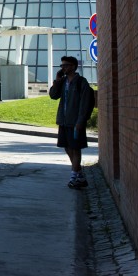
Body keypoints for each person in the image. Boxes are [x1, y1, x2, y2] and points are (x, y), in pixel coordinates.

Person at [48, 56, 95, 189]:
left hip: (75, 122)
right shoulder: (62, 82)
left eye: (66, 65)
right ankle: (79, 175)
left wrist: (81, 121)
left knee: (76, 149)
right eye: (62, 65)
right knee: (67, 147)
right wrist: (57, 81)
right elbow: (53, 95)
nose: (63, 68)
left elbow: (85, 103)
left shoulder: (81, 82)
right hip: (64, 121)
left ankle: (74, 177)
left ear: (73, 66)